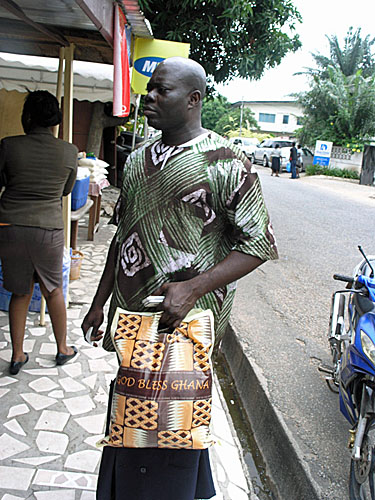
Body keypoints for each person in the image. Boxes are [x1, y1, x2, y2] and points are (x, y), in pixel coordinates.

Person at [82, 56, 278, 500]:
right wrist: (99, 301)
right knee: (131, 413)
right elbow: (122, 236)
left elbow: (258, 244)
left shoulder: (227, 161)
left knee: (173, 422)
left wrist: (194, 286)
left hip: (186, 328)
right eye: (148, 88)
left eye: (161, 90)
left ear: (193, 100)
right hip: (133, 323)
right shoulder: (137, 159)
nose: (148, 97)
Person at [0, 90, 78, 375]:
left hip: (10, 227)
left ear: (28, 117)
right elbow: (66, 190)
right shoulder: (69, 152)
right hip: (48, 228)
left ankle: (18, 355)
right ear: (55, 120)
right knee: (53, 289)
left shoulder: (8, 145)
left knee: (20, 292)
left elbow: (2, 179)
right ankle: (62, 349)